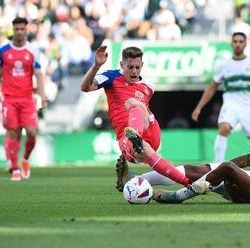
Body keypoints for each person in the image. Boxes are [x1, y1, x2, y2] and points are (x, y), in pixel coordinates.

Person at [80, 45, 190, 191]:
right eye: (130, 67)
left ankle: (136, 137)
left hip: (150, 130)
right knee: (165, 173)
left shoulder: (148, 86)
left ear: (142, 65)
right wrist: (96, 66)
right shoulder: (110, 76)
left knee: (134, 103)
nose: (134, 71)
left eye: (137, 67)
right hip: (126, 139)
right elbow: (85, 87)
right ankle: (188, 184)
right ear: (121, 65)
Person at [191, 32, 250, 162]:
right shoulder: (223, 65)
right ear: (231, 44)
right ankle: (217, 165)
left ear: (245, 44)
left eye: (241, 41)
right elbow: (212, 87)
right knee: (224, 129)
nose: (238, 44)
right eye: (235, 41)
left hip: (248, 106)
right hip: (231, 104)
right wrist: (198, 107)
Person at [0, 17, 46, 181]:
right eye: (17, 29)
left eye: (22, 29)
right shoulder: (3, 50)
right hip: (9, 99)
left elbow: (39, 74)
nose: (19, 32)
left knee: (31, 133)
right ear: (13, 31)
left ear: (26, 30)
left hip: (27, 99)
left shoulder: (33, 51)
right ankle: (15, 169)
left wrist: (42, 95)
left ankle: (25, 159)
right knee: (13, 133)